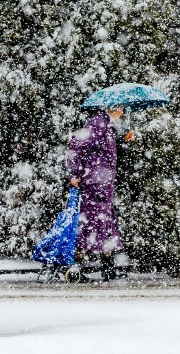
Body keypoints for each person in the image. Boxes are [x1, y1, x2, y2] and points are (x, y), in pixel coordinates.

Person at [66, 106, 135, 281]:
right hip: (94, 183)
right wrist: (74, 173)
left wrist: (125, 142)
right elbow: (75, 145)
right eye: (120, 107)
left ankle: (107, 268)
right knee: (92, 223)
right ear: (114, 108)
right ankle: (79, 266)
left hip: (103, 184)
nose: (122, 111)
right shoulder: (98, 124)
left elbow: (107, 153)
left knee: (103, 224)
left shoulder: (107, 126)